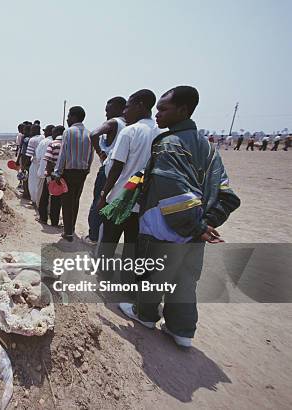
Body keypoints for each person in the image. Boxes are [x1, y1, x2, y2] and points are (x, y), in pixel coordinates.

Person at [119, 86, 240, 348]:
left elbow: (172, 190)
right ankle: (182, 330)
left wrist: (195, 226)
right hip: (196, 229)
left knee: (153, 275)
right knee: (185, 280)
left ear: (183, 111)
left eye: (164, 109)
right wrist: (206, 223)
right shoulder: (208, 147)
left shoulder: (169, 144)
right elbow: (227, 194)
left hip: (164, 229)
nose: (158, 114)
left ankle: (146, 315)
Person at [97, 89, 159, 280]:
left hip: (120, 199)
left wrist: (103, 195)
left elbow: (116, 168)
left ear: (140, 105)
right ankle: (126, 280)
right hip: (143, 202)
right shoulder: (161, 133)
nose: (124, 112)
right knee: (132, 244)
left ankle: (105, 276)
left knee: (109, 240)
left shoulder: (130, 131)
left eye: (128, 106)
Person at [84, 96, 126, 244]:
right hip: (122, 171)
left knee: (99, 200)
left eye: (108, 110)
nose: (106, 114)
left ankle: (93, 236)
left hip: (108, 168)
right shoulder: (130, 125)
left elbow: (94, 134)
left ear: (120, 109)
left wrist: (100, 152)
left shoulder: (114, 122)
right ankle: (103, 236)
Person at [53, 106, 93, 241]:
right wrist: (87, 169)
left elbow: (63, 154)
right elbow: (91, 155)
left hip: (68, 172)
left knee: (67, 202)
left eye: (69, 116)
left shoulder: (68, 132)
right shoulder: (89, 133)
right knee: (75, 201)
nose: (67, 118)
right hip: (82, 172)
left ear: (74, 117)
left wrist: (57, 172)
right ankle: (72, 227)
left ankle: (68, 232)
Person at [39, 125, 64, 226]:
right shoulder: (67, 144)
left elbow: (49, 161)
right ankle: (54, 221)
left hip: (52, 174)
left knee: (44, 197)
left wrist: (48, 175)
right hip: (62, 176)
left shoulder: (53, 144)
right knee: (57, 200)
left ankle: (43, 218)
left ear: (56, 133)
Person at [34, 125, 54, 217]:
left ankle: (41, 212)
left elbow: (37, 157)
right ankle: (50, 211)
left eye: (45, 131)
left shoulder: (44, 142)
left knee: (41, 194)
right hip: (54, 173)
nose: (44, 133)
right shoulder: (56, 142)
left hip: (43, 171)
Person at [26, 124, 44, 205]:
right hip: (43, 164)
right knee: (40, 184)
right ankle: (40, 201)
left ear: (33, 130)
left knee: (33, 183)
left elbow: (28, 155)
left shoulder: (32, 140)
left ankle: (34, 200)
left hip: (35, 163)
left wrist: (25, 166)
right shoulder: (44, 138)